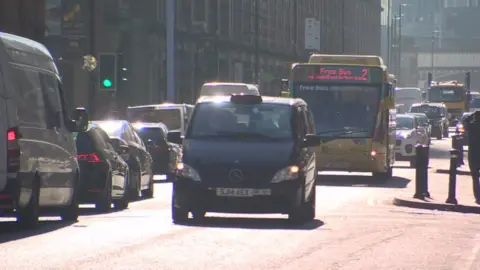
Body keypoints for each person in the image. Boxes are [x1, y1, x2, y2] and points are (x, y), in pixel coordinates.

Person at [463, 110, 480, 203]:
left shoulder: (472, 126)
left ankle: (478, 197)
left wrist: (471, 115)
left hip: (473, 154)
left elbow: (465, 121)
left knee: (475, 177)